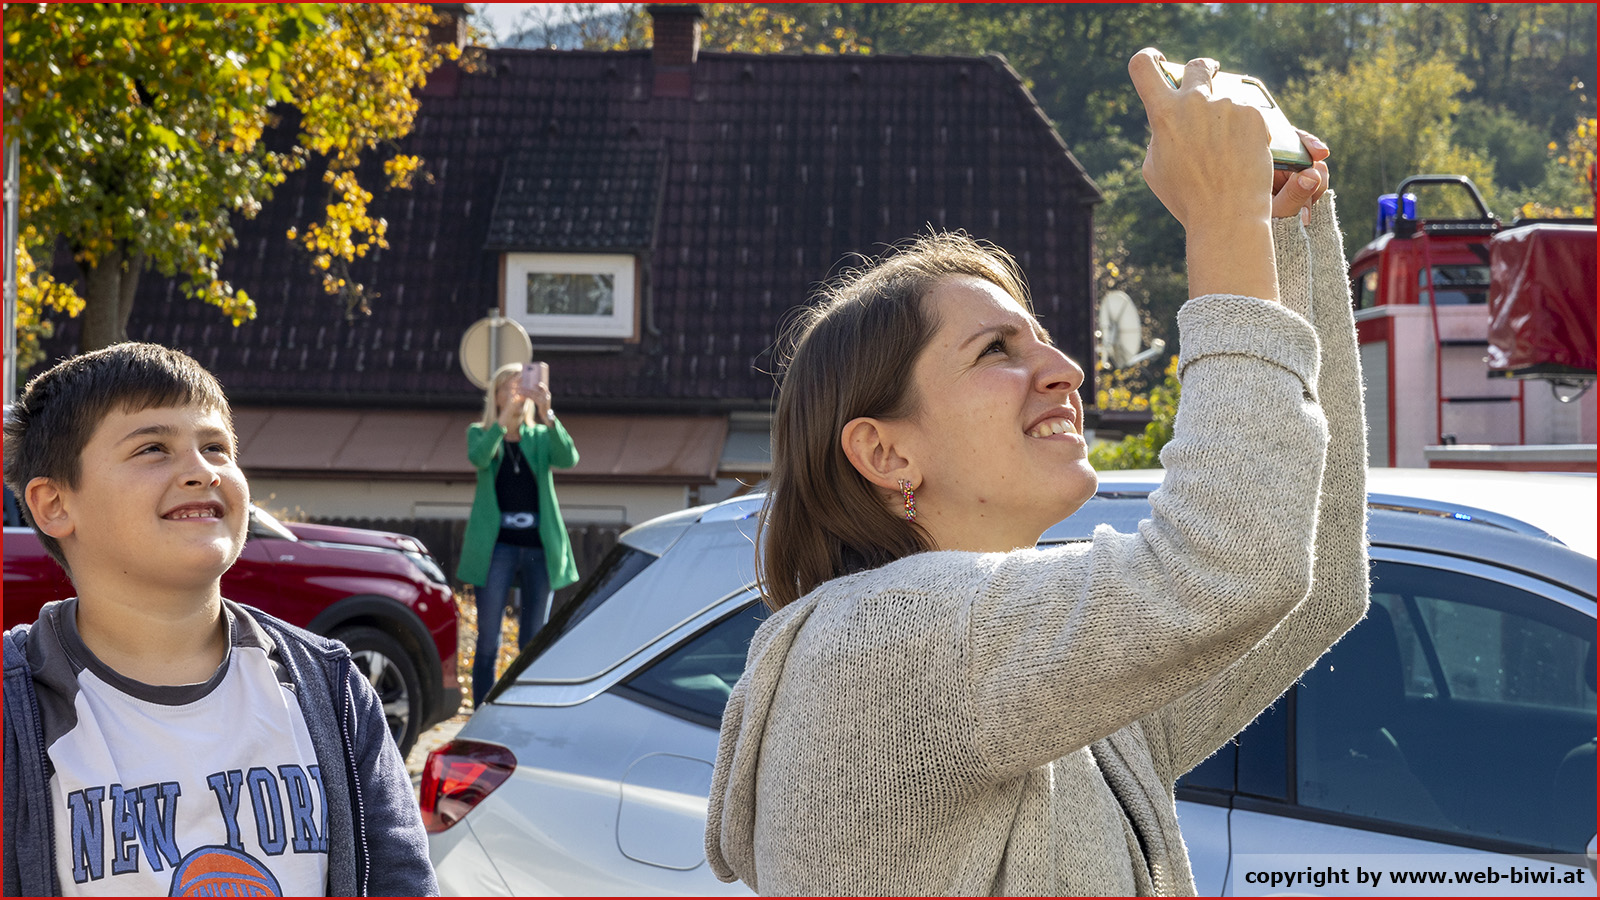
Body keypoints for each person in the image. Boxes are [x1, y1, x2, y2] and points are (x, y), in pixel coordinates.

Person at [704, 49, 1369, 895]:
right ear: (885, 453)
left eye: (1043, 338)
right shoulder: (880, 647)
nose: (1065, 369)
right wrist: (1221, 227)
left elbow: (1315, 582)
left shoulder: (1042, 686)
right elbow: (1229, 564)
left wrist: (1280, 234)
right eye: (996, 351)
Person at [1, 342, 438, 897]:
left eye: (216, 447)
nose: (201, 471)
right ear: (54, 504)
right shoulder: (16, 712)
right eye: (153, 448)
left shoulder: (330, 691)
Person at [457, 362, 580, 707]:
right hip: (496, 548)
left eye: (522, 387)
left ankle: (524, 709)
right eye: (510, 388)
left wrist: (547, 412)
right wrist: (502, 422)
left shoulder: (540, 437)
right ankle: (481, 711)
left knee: (534, 640)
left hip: (538, 548)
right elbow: (480, 458)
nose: (517, 395)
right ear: (495, 395)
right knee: (488, 641)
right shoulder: (479, 433)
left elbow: (569, 458)